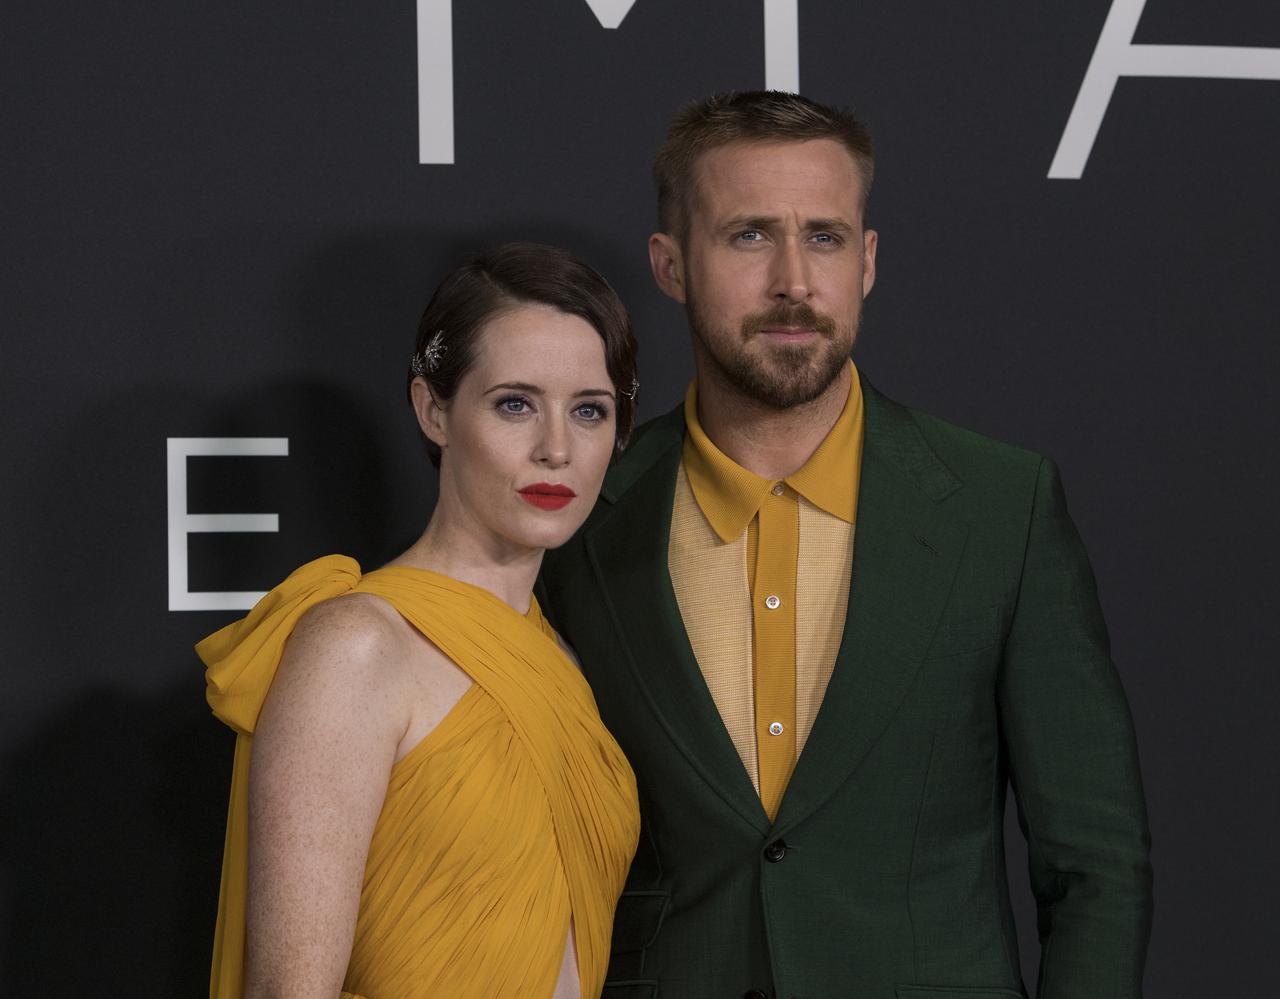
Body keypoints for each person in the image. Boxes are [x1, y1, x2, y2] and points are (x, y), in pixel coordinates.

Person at [538, 91, 1153, 999]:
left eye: (823, 237)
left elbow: (1096, 863)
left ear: (866, 261)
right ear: (670, 266)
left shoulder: (1000, 506)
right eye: (748, 235)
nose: (793, 278)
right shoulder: (583, 517)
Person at [198, 242, 641, 999]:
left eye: (589, 410)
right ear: (433, 409)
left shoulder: (562, 659)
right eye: (514, 403)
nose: (557, 449)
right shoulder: (359, 645)